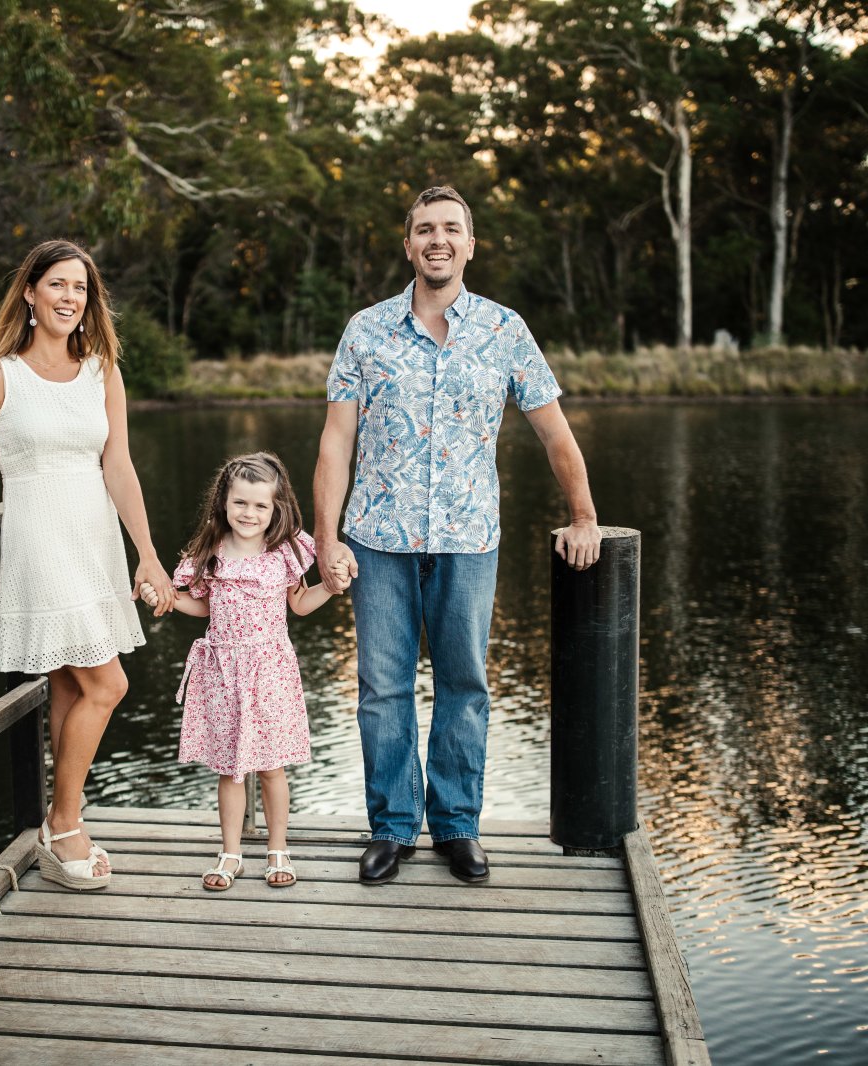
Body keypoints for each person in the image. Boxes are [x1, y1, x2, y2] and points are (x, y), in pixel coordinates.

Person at [314, 186, 603, 886]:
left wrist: (584, 516)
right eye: (424, 229)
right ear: (408, 245)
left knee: (465, 686)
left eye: (450, 229)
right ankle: (391, 828)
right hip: (377, 539)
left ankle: (456, 826)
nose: (436, 239)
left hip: (468, 539)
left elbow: (554, 433)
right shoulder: (365, 331)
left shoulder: (505, 330)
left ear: (470, 245)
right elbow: (336, 442)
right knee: (382, 689)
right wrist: (326, 538)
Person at [0, 238, 174, 891]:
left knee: (72, 686)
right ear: (29, 292)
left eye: (80, 287)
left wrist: (147, 554)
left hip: (93, 541)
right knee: (109, 686)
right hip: (40, 545)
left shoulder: (102, 371)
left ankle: (60, 830)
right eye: (57, 284)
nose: (69, 297)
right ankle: (63, 822)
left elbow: (119, 466)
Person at [139, 453, 340, 891]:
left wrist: (331, 586)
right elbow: (202, 607)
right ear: (224, 503)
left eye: (260, 505)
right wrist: (166, 597)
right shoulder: (209, 552)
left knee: (271, 768)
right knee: (229, 769)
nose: (249, 513)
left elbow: (300, 604)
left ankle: (277, 849)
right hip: (222, 673)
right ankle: (230, 853)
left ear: (276, 508)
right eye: (240, 503)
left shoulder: (285, 551)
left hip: (269, 672)